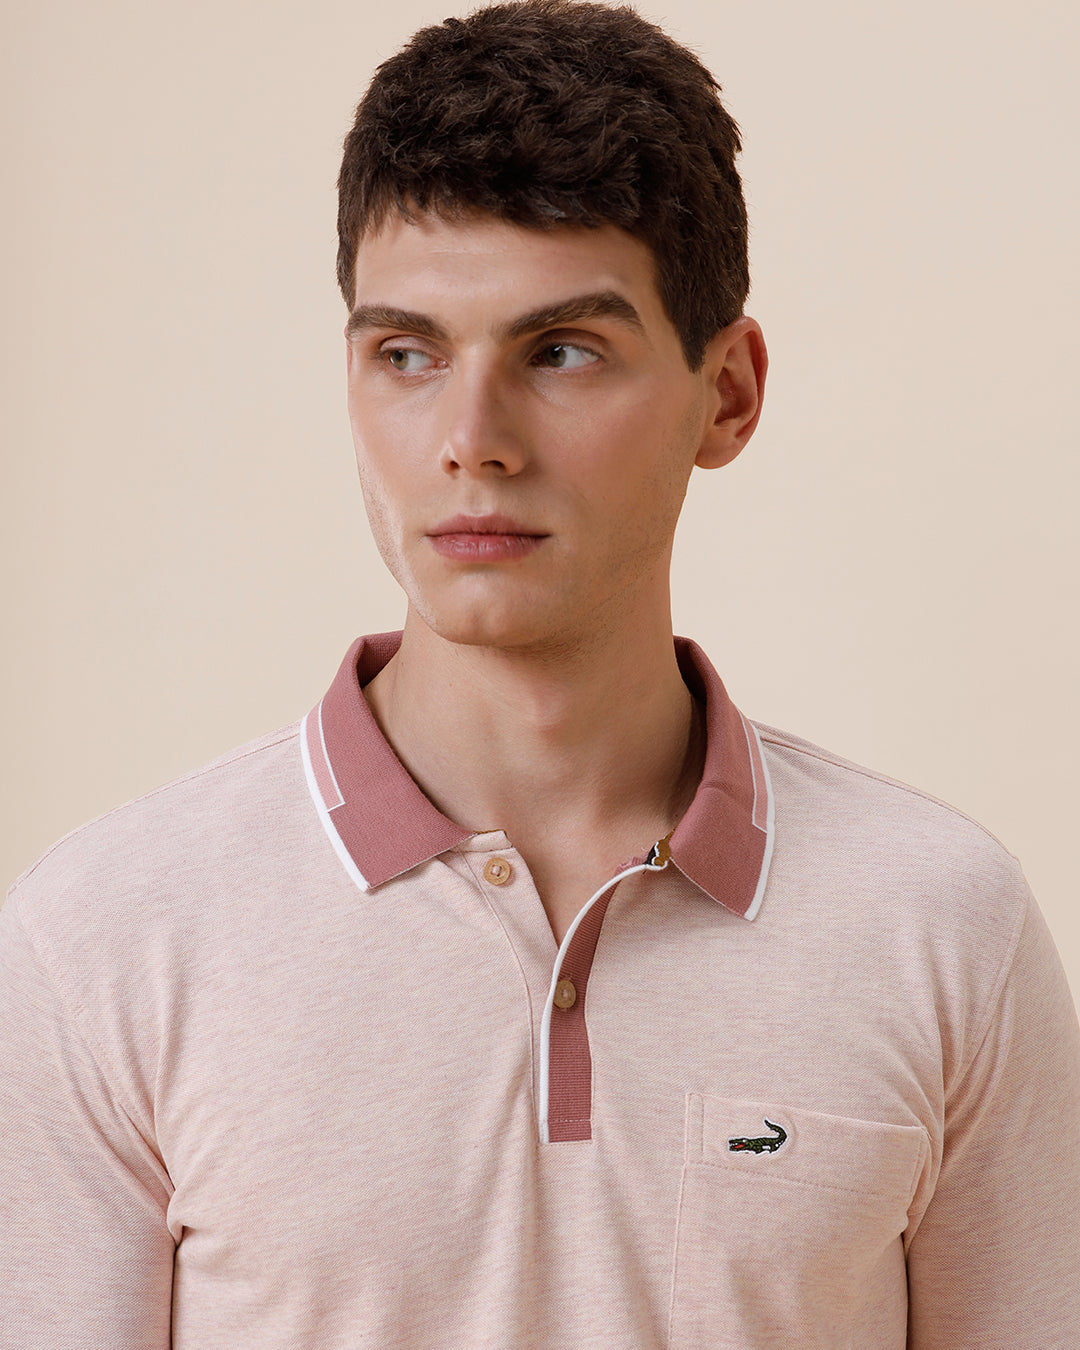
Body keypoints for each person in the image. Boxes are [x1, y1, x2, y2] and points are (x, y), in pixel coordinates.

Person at [2, 1, 1078, 1345]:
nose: (472, 438)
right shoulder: (105, 943)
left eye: (560, 351)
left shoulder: (942, 926)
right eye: (407, 354)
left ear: (729, 393)